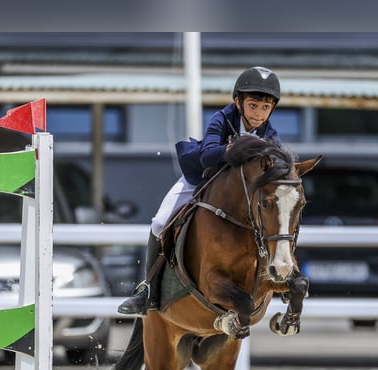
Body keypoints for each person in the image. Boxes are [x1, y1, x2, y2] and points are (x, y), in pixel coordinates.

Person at [118, 66, 282, 315]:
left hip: (237, 192)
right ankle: (148, 291)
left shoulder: (270, 135)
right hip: (200, 178)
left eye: (265, 108)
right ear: (238, 102)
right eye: (253, 106)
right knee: (160, 222)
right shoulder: (222, 118)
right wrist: (238, 148)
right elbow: (208, 156)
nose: (259, 114)